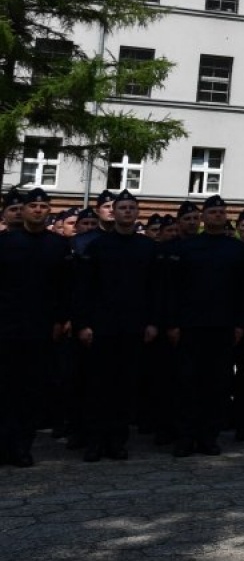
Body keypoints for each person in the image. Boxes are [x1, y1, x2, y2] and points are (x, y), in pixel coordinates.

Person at [73, 189, 158, 461]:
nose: (127, 212)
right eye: (122, 208)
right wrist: (83, 324)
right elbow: (84, 289)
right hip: (102, 327)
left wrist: (153, 322)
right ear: (114, 212)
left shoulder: (147, 247)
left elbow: (155, 290)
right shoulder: (98, 246)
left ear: (137, 213)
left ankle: (117, 441)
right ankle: (95, 442)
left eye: (132, 208)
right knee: (98, 387)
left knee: (125, 387)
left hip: (133, 327)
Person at [163, 193, 244, 456]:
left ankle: (209, 437)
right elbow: (172, 290)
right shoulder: (186, 247)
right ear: (203, 216)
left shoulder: (236, 249)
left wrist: (239, 324)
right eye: (212, 212)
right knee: (187, 384)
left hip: (222, 327)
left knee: (217, 385)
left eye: (222, 212)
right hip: (190, 327)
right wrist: (172, 324)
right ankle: (186, 437)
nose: (218, 216)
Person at [0, 188, 72, 467]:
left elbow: (66, 287)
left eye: (44, 206)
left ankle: (22, 447)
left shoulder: (57, 245)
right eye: (33, 206)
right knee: (5, 388)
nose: (38, 210)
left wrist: (61, 319)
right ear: (25, 210)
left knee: (30, 390)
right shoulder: (5, 242)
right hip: (6, 325)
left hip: (41, 328)